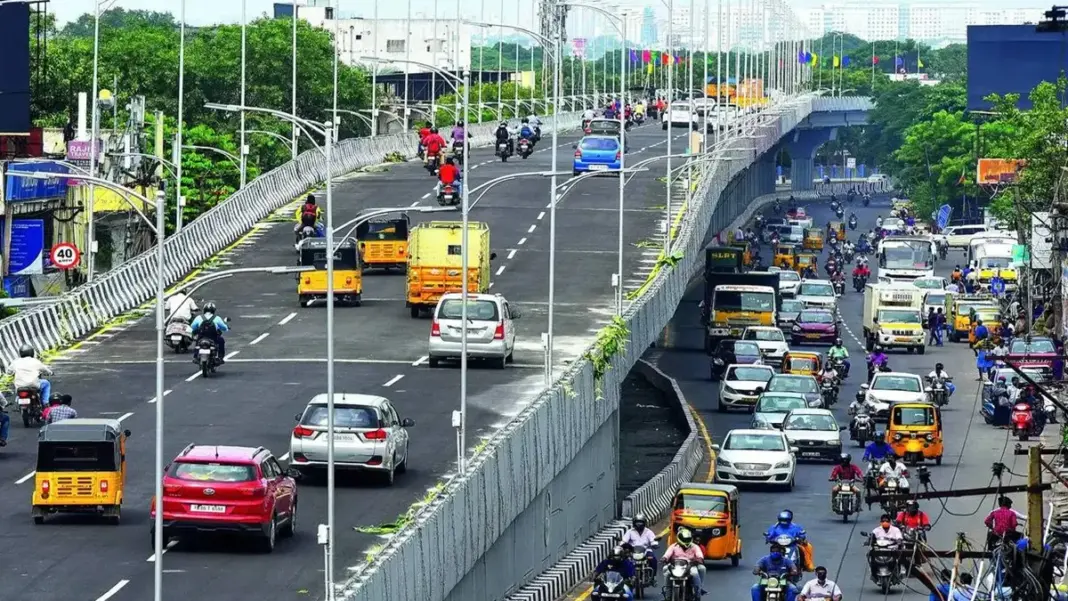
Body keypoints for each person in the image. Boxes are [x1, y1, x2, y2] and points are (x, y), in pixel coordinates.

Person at [662, 527, 705, 597]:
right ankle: (668, 595)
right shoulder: (673, 546)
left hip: (690, 566)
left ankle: (698, 592)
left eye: (687, 539)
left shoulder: (695, 547)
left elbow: (700, 556)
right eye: (684, 539)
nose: (686, 541)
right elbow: (667, 554)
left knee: (695, 573)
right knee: (667, 573)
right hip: (676, 566)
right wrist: (664, 558)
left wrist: (698, 559)